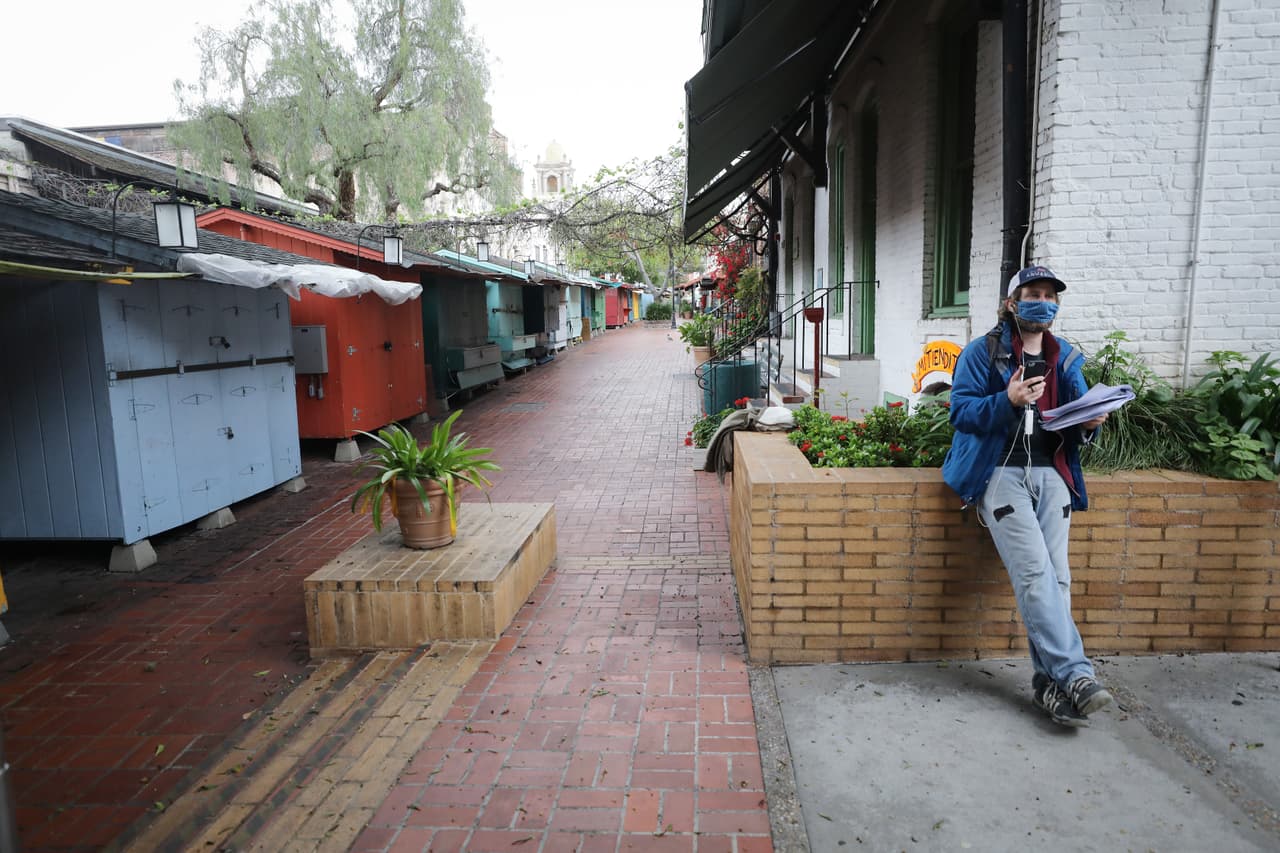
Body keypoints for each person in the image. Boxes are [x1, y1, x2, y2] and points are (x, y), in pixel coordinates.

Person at [941, 265, 1112, 727]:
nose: (1044, 302)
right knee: (1035, 571)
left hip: (1052, 473)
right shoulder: (983, 352)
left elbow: (1077, 415)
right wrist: (1009, 400)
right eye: (1033, 294)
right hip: (1000, 473)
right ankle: (1076, 674)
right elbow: (961, 412)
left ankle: (1048, 685)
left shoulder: (1066, 357)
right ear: (1013, 303)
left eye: (1051, 296)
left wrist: (1091, 422)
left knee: (1057, 580)